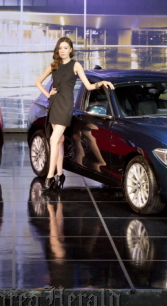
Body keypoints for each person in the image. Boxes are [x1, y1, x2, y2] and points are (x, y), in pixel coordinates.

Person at [35, 37, 114, 191]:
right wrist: (48, 94)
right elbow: (38, 82)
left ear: (71, 49)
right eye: (60, 48)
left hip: (65, 107)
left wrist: (102, 83)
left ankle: (49, 178)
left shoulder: (76, 65)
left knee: (53, 139)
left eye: (65, 48)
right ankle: (59, 174)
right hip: (54, 105)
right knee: (59, 141)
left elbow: (89, 86)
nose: (62, 50)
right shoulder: (54, 65)